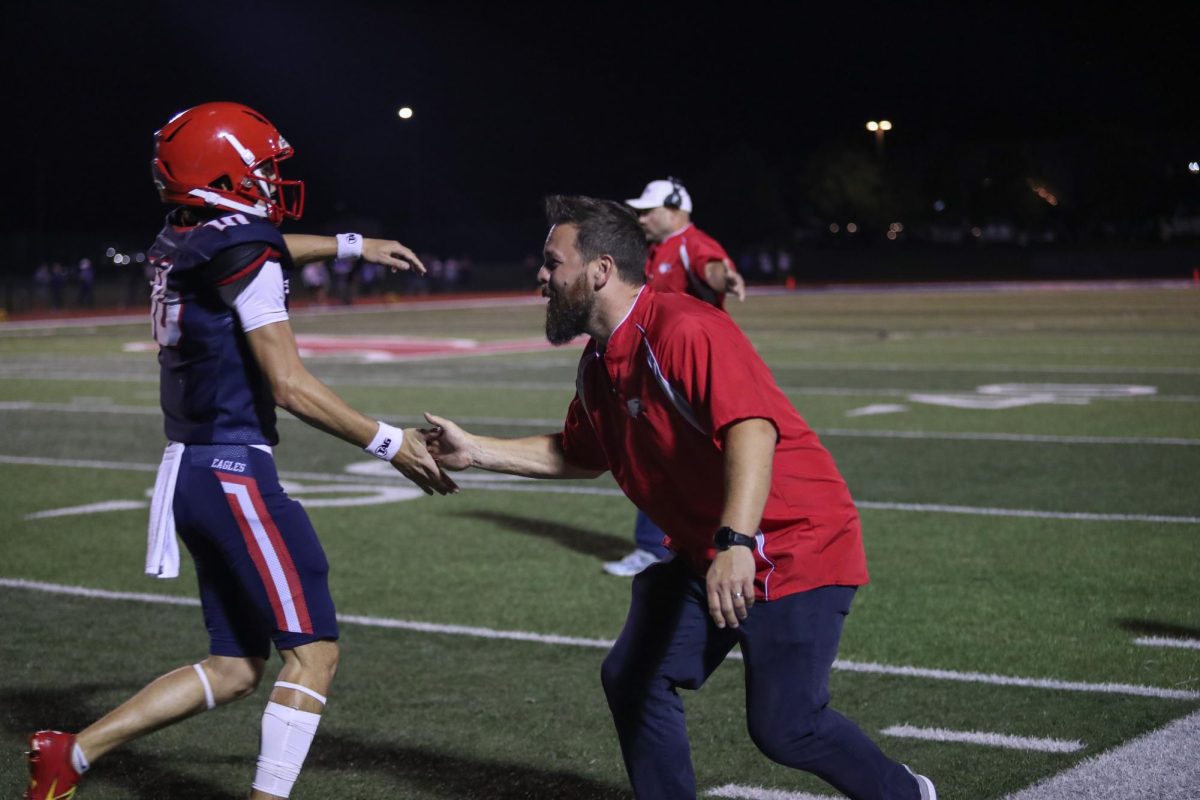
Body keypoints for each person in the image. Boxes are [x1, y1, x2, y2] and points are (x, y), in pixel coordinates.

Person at [423, 195, 935, 800]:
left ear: (599, 270)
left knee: (786, 728)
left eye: (551, 262)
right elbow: (580, 455)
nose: (541, 276)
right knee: (634, 677)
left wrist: (738, 542)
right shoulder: (596, 365)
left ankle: (907, 795)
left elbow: (752, 428)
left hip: (794, 543)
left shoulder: (683, 328)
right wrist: (474, 450)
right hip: (712, 551)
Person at [24, 101, 458, 800]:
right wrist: (388, 442)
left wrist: (352, 244)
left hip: (193, 472)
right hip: (233, 472)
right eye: (259, 169)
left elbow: (264, 242)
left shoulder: (181, 236)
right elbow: (287, 383)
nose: (269, 183)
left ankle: (69, 754)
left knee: (234, 667)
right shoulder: (239, 248)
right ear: (221, 173)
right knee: (314, 655)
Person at [602, 178, 747, 577]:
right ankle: (684, 544)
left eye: (649, 210)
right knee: (673, 458)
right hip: (664, 367)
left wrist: (727, 278)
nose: (642, 217)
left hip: (688, 369)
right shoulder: (656, 249)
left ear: (675, 209)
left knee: (662, 455)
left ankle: (656, 548)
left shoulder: (690, 243)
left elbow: (713, 266)